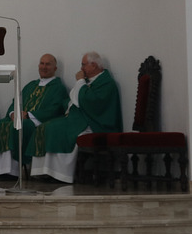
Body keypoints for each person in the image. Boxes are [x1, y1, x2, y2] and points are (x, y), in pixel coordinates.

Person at [27, 51, 122, 183]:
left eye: (83, 65)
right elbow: (74, 98)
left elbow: (90, 102)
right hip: (79, 119)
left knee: (55, 129)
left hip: (95, 123)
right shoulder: (90, 81)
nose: (81, 68)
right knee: (46, 127)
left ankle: (59, 174)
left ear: (94, 65)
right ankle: (44, 171)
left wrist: (80, 81)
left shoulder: (106, 83)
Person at [0, 54, 69, 178]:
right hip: (20, 119)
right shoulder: (31, 85)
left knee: (19, 127)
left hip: (35, 122)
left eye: (48, 64)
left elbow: (55, 109)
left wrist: (28, 115)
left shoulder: (58, 88)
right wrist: (13, 113)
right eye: (42, 63)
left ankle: (11, 171)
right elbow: (16, 101)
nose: (44, 67)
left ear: (55, 68)